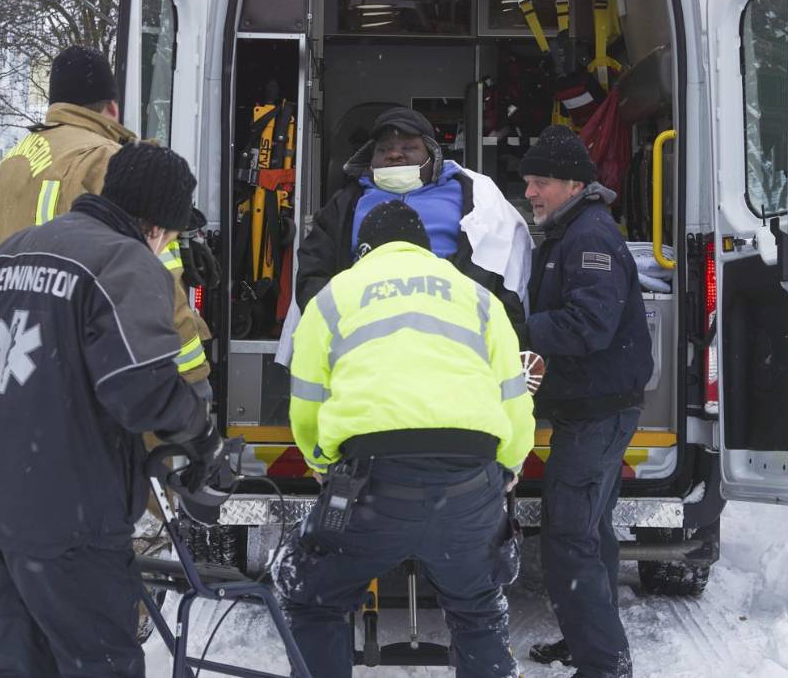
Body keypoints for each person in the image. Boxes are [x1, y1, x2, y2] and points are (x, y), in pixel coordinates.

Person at [0, 142, 228, 678]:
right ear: (157, 226)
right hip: (64, 514)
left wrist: (18, 406)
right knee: (99, 663)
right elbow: (140, 389)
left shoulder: (17, 248)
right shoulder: (126, 262)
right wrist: (200, 432)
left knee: (21, 664)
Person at [276, 200, 535, 678]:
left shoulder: (333, 297)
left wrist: (321, 460)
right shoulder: (479, 298)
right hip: (469, 480)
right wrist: (510, 465)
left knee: (316, 598)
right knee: (478, 609)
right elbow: (513, 396)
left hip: (373, 482)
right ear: (424, 247)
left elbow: (308, 397)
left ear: (364, 250)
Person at [0, 44, 211, 396]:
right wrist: (193, 376)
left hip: (13, 367)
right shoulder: (105, 160)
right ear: (112, 108)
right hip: (88, 378)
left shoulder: (6, 166)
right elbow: (155, 280)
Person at [519, 126, 653, 678]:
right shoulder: (568, 231)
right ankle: (588, 642)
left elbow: (589, 324)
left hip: (600, 412)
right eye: (529, 181)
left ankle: (604, 665)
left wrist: (517, 327)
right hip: (589, 407)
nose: (531, 192)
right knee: (592, 531)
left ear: (575, 184)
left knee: (570, 536)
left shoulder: (590, 238)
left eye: (542, 182)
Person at [294, 105, 531, 330]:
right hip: (362, 327)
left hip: (453, 325)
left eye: (408, 148)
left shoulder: (475, 195)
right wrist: (340, 320)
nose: (394, 155)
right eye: (383, 149)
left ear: (432, 154)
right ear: (370, 159)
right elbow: (313, 272)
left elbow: (505, 268)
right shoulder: (347, 202)